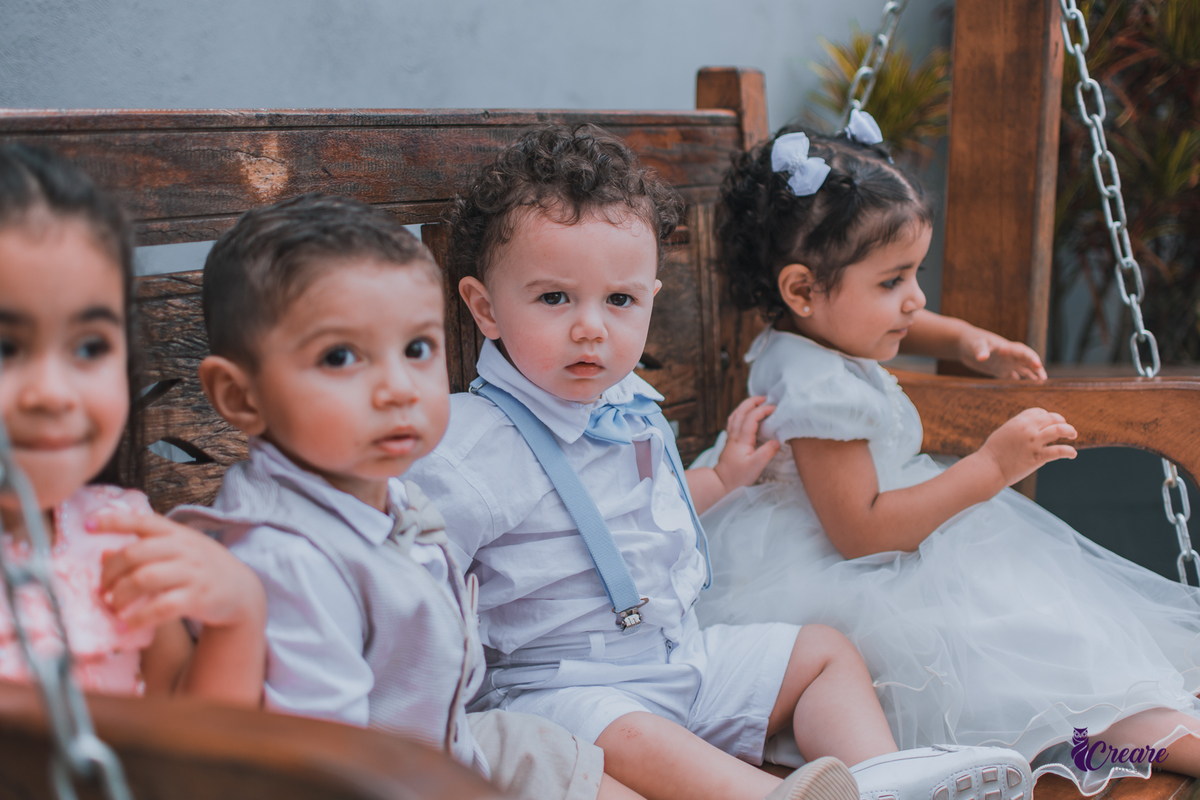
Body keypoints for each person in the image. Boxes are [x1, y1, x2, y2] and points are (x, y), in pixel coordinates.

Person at [406, 122, 1033, 800]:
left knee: (823, 653)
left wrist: (723, 478)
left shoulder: (628, 403)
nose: (592, 325)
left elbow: (640, 512)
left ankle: (882, 780)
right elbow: (413, 575)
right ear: (485, 307)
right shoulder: (469, 443)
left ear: (650, 296)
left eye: (620, 300)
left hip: (680, 658)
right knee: (628, 733)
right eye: (555, 298)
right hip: (563, 689)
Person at [693, 112, 1200, 794]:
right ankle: (1149, 742)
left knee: (1052, 636)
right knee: (1029, 651)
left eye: (915, 272)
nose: (915, 300)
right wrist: (991, 468)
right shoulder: (817, 393)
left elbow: (883, 313)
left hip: (904, 537)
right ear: (801, 291)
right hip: (851, 563)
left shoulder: (820, 330)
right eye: (893, 282)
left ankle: (1137, 733)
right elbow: (861, 531)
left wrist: (961, 340)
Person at [171, 191, 700, 800]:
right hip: (392, 779)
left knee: (563, 761)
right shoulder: (289, 560)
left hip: (454, 748)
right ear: (240, 399)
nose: (398, 387)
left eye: (416, 349)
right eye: (341, 357)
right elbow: (326, 766)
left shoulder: (379, 494)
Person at [0, 144, 266, 705]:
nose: (52, 393)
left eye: (90, 346)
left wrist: (236, 615)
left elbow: (186, 728)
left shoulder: (113, 532)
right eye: (6, 348)